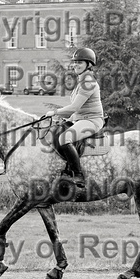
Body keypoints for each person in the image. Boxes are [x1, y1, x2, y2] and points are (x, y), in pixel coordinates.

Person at [45, 47, 104, 188]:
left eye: (80, 62)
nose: (75, 65)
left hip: (92, 120)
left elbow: (74, 107)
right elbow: (77, 110)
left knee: (65, 138)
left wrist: (55, 112)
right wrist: (65, 119)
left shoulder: (88, 82)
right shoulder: (82, 81)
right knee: (56, 132)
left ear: (88, 65)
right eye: (74, 62)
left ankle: (78, 175)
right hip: (81, 119)